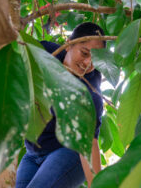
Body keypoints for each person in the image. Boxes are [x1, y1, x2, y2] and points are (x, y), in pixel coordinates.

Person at [15, 22, 105, 188]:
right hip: (33, 154)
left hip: (71, 153)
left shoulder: (90, 95)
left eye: (96, 59)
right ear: (68, 44)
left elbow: (89, 146)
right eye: (84, 53)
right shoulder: (44, 51)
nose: (88, 63)